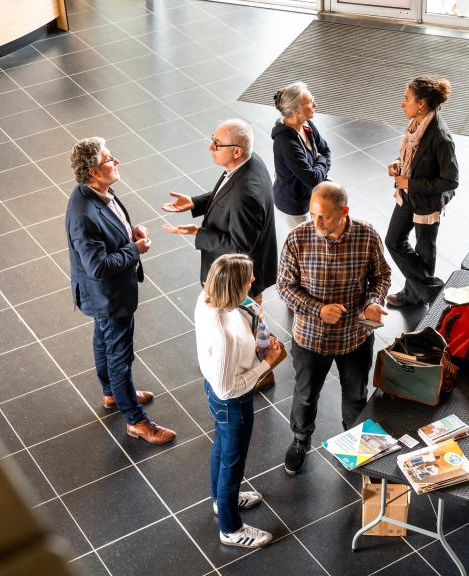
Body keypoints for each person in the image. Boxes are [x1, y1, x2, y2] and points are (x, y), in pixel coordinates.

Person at [65, 137, 176, 445]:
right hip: (108, 295)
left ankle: (112, 393)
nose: (117, 162)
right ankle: (136, 421)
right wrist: (135, 249)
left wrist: (129, 234)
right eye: (109, 160)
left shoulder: (100, 191)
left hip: (106, 295)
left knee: (103, 339)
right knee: (120, 355)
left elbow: (110, 231)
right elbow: (97, 266)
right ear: (92, 171)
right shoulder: (83, 213)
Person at [277, 181, 391, 475]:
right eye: (313, 214)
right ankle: (300, 441)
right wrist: (318, 309)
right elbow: (285, 288)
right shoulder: (297, 238)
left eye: (323, 216)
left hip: (355, 336)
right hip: (310, 338)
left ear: (344, 211)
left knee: (355, 395)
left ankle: (353, 441)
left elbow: (381, 275)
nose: (315, 222)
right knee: (304, 396)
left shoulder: (367, 236)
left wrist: (373, 302)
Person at [195, 254, 284, 549]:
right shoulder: (225, 337)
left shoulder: (207, 298)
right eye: (248, 278)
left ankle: (222, 502)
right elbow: (227, 389)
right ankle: (231, 529)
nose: (254, 280)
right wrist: (268, 363)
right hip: (232, 402)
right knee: (233, 462)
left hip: (216, 392)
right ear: (234, 287)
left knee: (221, 447)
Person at [162, 119, 277, 305]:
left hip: (238, 282)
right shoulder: (249, 161)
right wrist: (194, 202)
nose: (210, 147)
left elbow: (240, 247)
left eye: (217, 144)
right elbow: (227, 192)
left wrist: (197, 233)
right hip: (249, 271)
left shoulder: (246, 194)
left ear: (237, 151)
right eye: (213, 139)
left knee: (240, 327)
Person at [384, 76, 459, 309]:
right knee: (393, 241)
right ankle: (432, 293)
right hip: (406, 194)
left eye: (407, 99)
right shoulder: (415, 125)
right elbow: (413, 159)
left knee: (424, 251)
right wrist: (398, 164)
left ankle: (414, 295)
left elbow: (450, 180)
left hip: (427, 202)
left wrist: (410, 182)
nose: (401, 103)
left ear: (421, 104)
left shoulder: (440, 137)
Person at [271, 82, 331, 233]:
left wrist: (319, 160)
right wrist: (321, 160)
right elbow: (313, 179)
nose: (315, 104)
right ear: (297, 110)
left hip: (308, 195)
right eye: (310, 102)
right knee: (305, 241)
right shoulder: (287, 142)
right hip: (294, 205)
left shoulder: (306, 124)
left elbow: (326, 150)